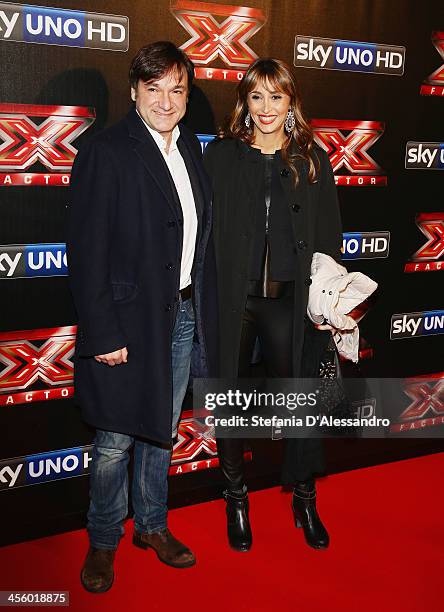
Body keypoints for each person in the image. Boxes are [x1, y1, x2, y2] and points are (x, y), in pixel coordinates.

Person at [67, 41, 218, 593]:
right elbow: (86, 250)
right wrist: (103, 329)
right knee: (114, 440)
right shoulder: (106, 151)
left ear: (187, 93)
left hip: (179, 315)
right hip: (126, 322)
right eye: (153, 88)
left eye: (176, 89)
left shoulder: (192, 150)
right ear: (134, 92)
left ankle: (152, 525)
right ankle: (104, 537)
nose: (166, 100)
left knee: (159, 429)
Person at [203, 58, 342, 552]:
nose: (266, 108)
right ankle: (235, 496)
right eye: (256, 96)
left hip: (289, 303)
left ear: (290, 102)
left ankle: (304, 495)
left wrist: (328, 300)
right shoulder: (220, 156)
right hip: (235, 302)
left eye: (276, 97)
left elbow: (328, 238)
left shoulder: (311, 159)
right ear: (244, 100)